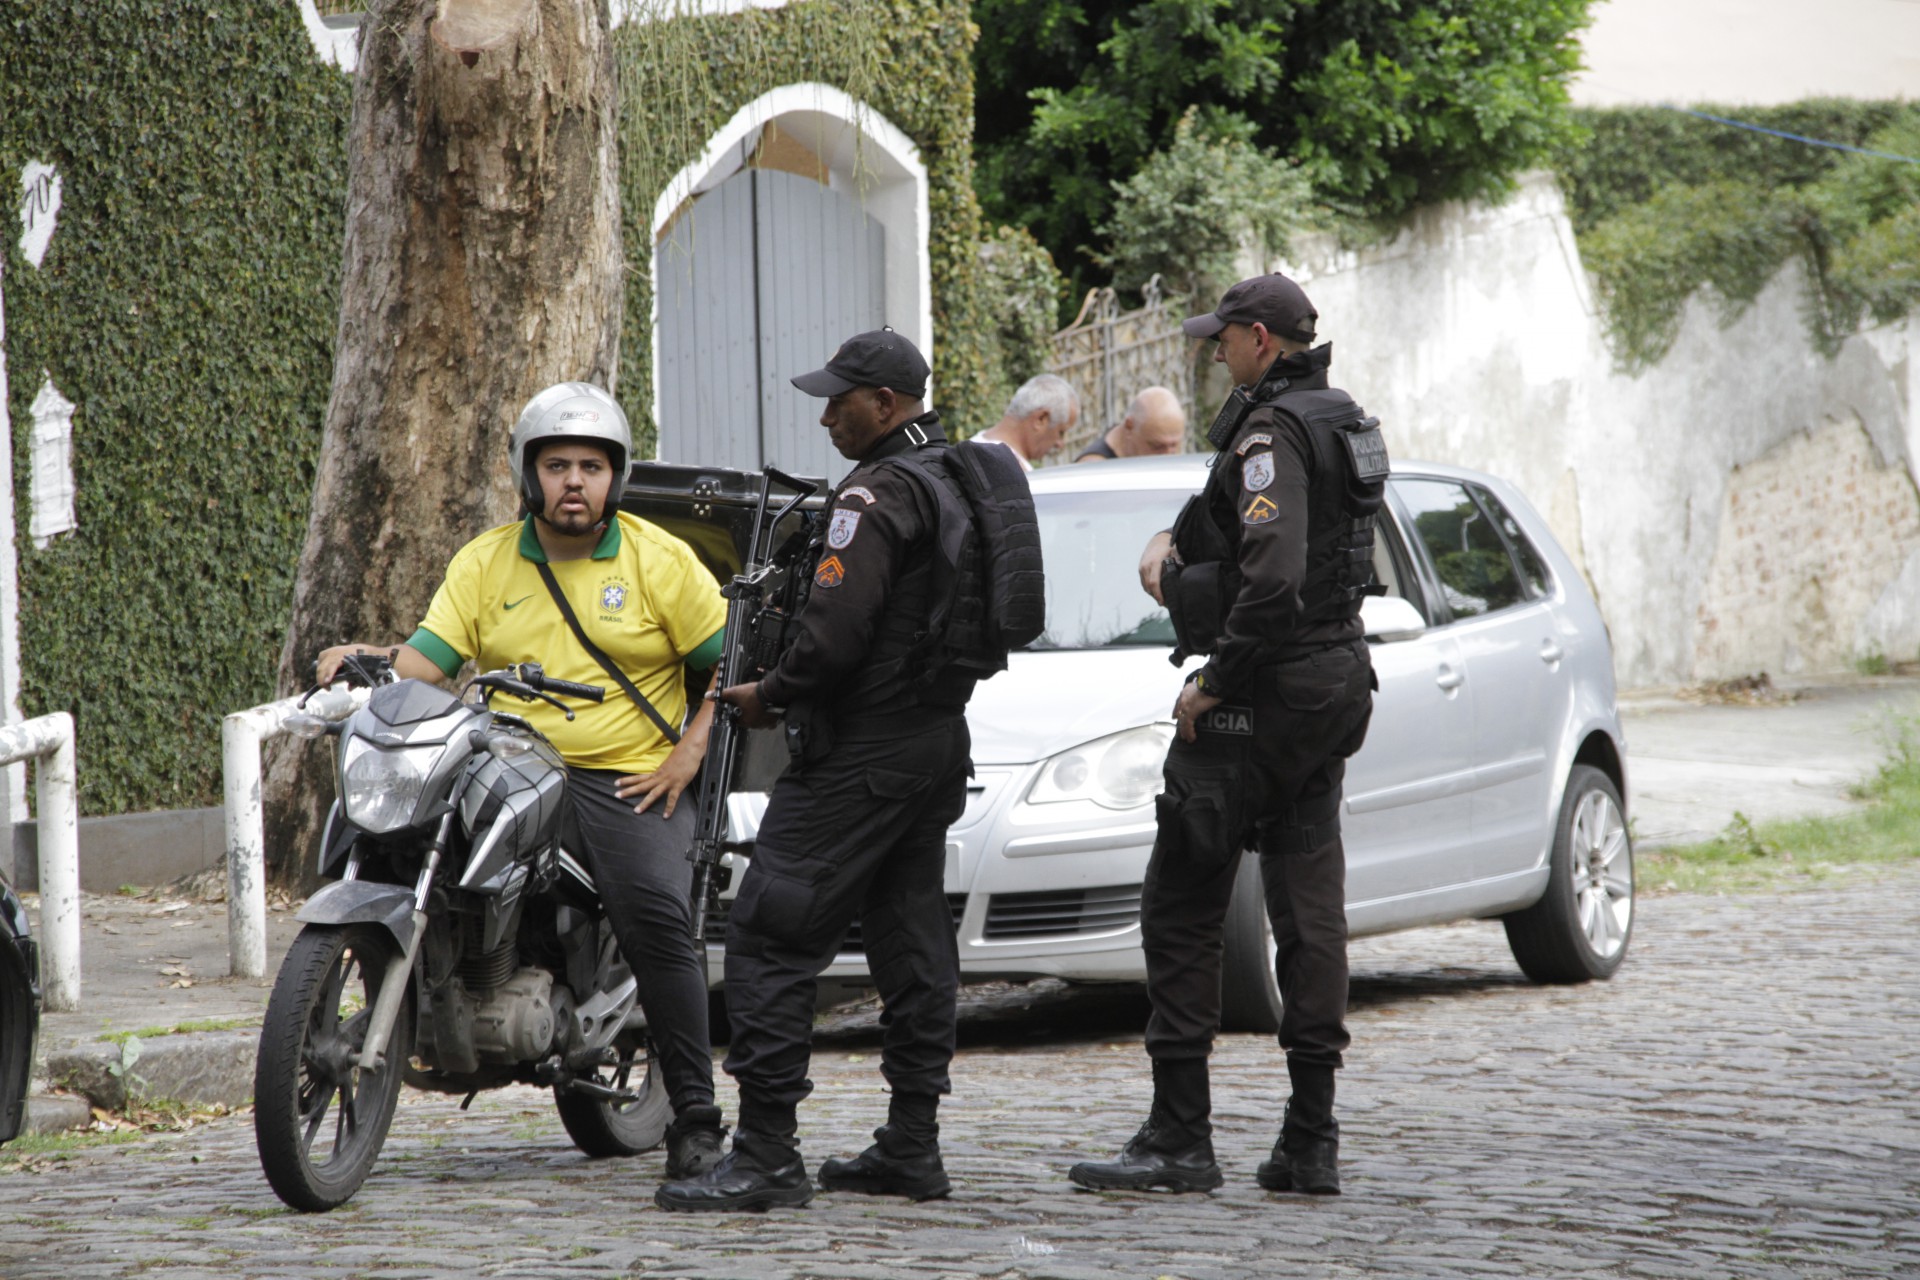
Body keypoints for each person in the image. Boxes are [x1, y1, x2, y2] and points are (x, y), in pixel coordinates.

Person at [314, 382, 730, 1183]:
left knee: (656, 916)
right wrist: (364, 656)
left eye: (591, 466)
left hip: (623, 780)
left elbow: (734, 673)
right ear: (526, 473)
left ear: (617, 476)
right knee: (396, 844)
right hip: (502, 764)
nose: (574, 481)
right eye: (557, 464)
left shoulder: (659, 560)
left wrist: (687, 755)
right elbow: (426, 667)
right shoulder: (486, 560)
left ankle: (700, 1121)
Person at [1068, 273, 1386, 1197]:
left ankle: (1179, 1137)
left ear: (1257, 339)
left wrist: (1215, 680)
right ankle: (1310, 1140)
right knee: (1309, 903)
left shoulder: (1270, 430)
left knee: (1181, 901)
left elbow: (1274, 578)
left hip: (1264, 694)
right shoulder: (1343, 417)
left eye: (1221, 340)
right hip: (1331, 682)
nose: (1214, 355)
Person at [655, 328, 981, 1213]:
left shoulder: (874, 495)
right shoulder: (957, 473)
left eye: (842, 399)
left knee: (768, 928)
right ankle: (912, 1146)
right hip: (931, 743)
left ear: (886, 404)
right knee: (911, 936)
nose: (828, 413)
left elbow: (833, 636)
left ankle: (765, 1154)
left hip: (860, 752)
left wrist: (770, 695)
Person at [973, 373, 1079, 470]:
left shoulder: (972, 448)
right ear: (1041, 419)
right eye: (1061, 432)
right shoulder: (1010, 471)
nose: (1060, 444)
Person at [1072, 385, 1188, 461]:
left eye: (1174, 446)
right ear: (1129, 427)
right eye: (1157, 447)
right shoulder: (1096, 467)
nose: (1167, 456)